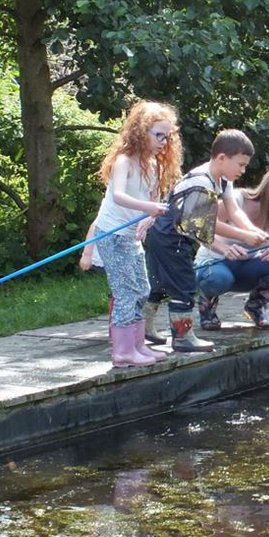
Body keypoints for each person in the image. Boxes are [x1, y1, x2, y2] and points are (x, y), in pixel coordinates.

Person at [144, 129, 266, 352]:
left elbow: (234, 211)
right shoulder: (200, 183)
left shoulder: (223, 181)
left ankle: (145, 327)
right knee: (184, 285)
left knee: (161, 283)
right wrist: (241, 238)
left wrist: (253, 231)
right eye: (240, 164)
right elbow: (201, 223)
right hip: (169, 237)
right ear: (222, 157)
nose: (243, 170)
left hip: (180, 235)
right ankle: (182, 337)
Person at [90, 100, 182, 368]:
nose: (164, 142)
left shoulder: (153, 164)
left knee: (142, 288)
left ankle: (138, 345)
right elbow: (119, 196)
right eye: (159, 135)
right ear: (141, 132)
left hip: (131, 236)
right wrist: (149, 208)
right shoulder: (124, 161)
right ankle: (122, 352)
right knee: (125, 292)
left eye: (168, 136)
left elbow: (153, 201)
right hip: (112, 234)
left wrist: (150, 218)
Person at [195, 163, 269, 331]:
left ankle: (255, 306)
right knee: (218, 279)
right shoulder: (237, 199)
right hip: (215, 264)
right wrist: (224, 247)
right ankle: (207, 307)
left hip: (246, 267)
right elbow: (200, 227)